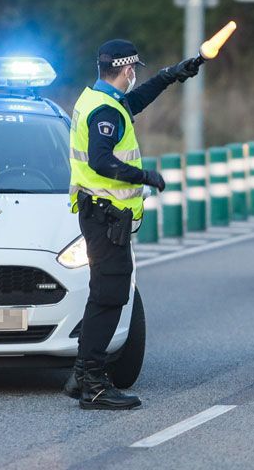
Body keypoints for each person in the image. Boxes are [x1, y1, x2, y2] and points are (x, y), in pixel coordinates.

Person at [64, 39, 203, 410]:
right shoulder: (105, 113)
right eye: (134, 71)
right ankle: (93, 382)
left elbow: (134, 102)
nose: (133, 77)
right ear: (127, 69)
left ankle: (82, 374)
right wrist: (144, 176)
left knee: (104, 294)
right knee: (110, 296)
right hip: (106, 215)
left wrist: (170, 76)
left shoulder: (97, 99)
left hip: (99, 214)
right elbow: (101, 161)